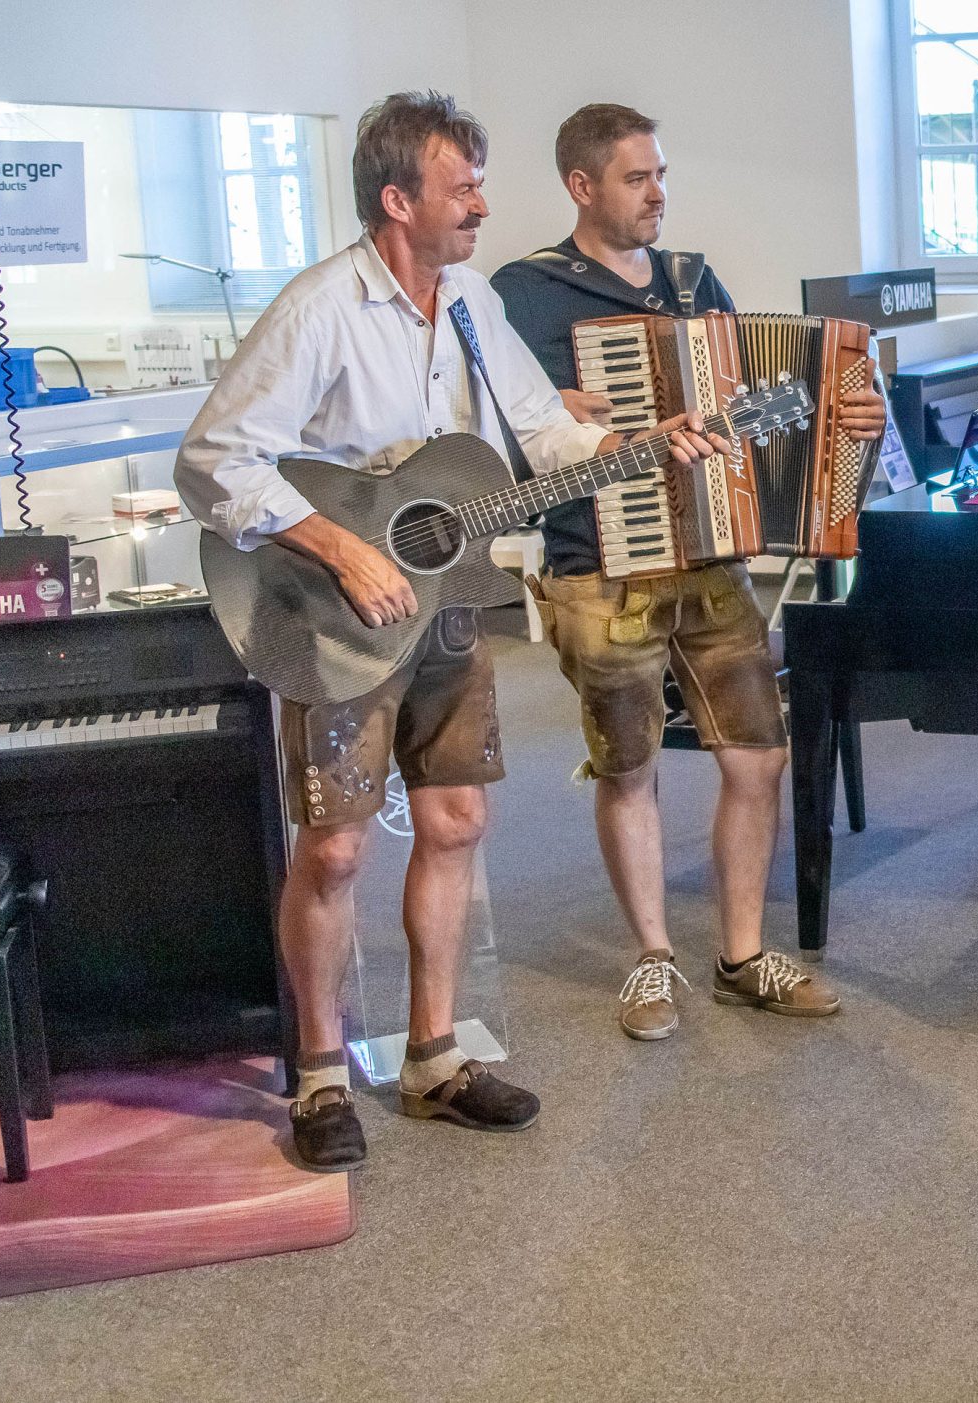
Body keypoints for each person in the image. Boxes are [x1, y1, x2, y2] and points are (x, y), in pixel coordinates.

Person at [177, 92, 718, 1173]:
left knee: (459, 821)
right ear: (397, 200)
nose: (480, 204)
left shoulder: (471, 299)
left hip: (448, 598)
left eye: (478, 184)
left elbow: (543, 431)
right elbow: (214, 460)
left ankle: (434, 1059)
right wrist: (342, 548)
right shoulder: (320, 308)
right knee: (335, 846)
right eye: (460, 187)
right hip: (330, 611)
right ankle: (321, 1075)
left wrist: (638, 442)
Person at [492, 104, 886, 1042]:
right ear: (581, 186)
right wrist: (561, 411)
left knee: (757, 754)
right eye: (637, 178)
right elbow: (501, 431)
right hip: (600, 565)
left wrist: (843, 414)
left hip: (709, 552)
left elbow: (751, 405)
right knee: (628, 765)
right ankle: (653, 957)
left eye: (661, 174)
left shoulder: (690, 281)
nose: (657, 193)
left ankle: (742, 956)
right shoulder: (524, 294)